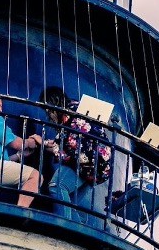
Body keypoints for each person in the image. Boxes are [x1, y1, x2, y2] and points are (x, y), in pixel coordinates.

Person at [38, 87, 112, 223]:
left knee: (57, 186)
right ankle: (80, 232)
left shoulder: (69, 115)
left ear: (52, 103)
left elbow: (71, 147)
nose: (48, 114)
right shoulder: (78, 109)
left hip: (86, 161)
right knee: (70, 202)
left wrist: (46, 144)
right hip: (100, 166)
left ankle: (66, 227)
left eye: (47, 109)